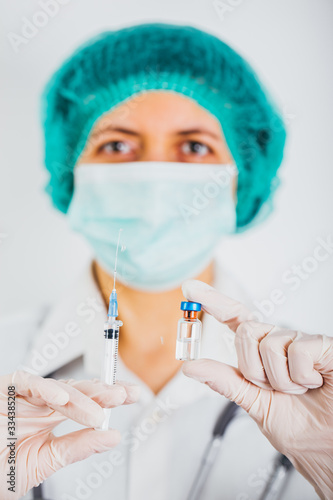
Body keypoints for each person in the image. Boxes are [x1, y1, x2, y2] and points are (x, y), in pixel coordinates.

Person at [0, 23, 332, 500]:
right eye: (116, 145)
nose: (155, 181)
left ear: (243, 180)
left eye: (195, 147)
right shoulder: (7, 366)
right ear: (70, 174)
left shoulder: (315, 390)